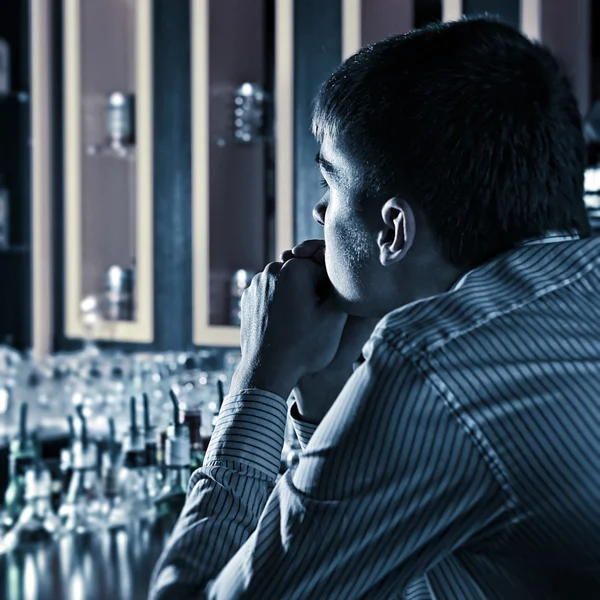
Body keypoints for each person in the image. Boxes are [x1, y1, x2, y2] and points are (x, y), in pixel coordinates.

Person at [150, 17, 600, 599]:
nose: (318, 215)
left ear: (393, 230)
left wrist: (261, 378)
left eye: (330, 185)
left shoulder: (432, 365)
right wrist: (327, 403)